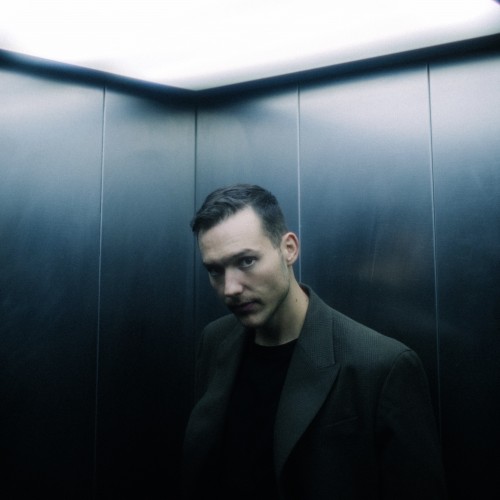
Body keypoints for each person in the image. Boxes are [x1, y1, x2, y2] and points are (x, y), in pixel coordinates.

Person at [182, 184, 447, 499]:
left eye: (246, 261)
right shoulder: (215, 341)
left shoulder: (381, 366)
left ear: (289, 249)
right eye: (215, 270)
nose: (230, 288)